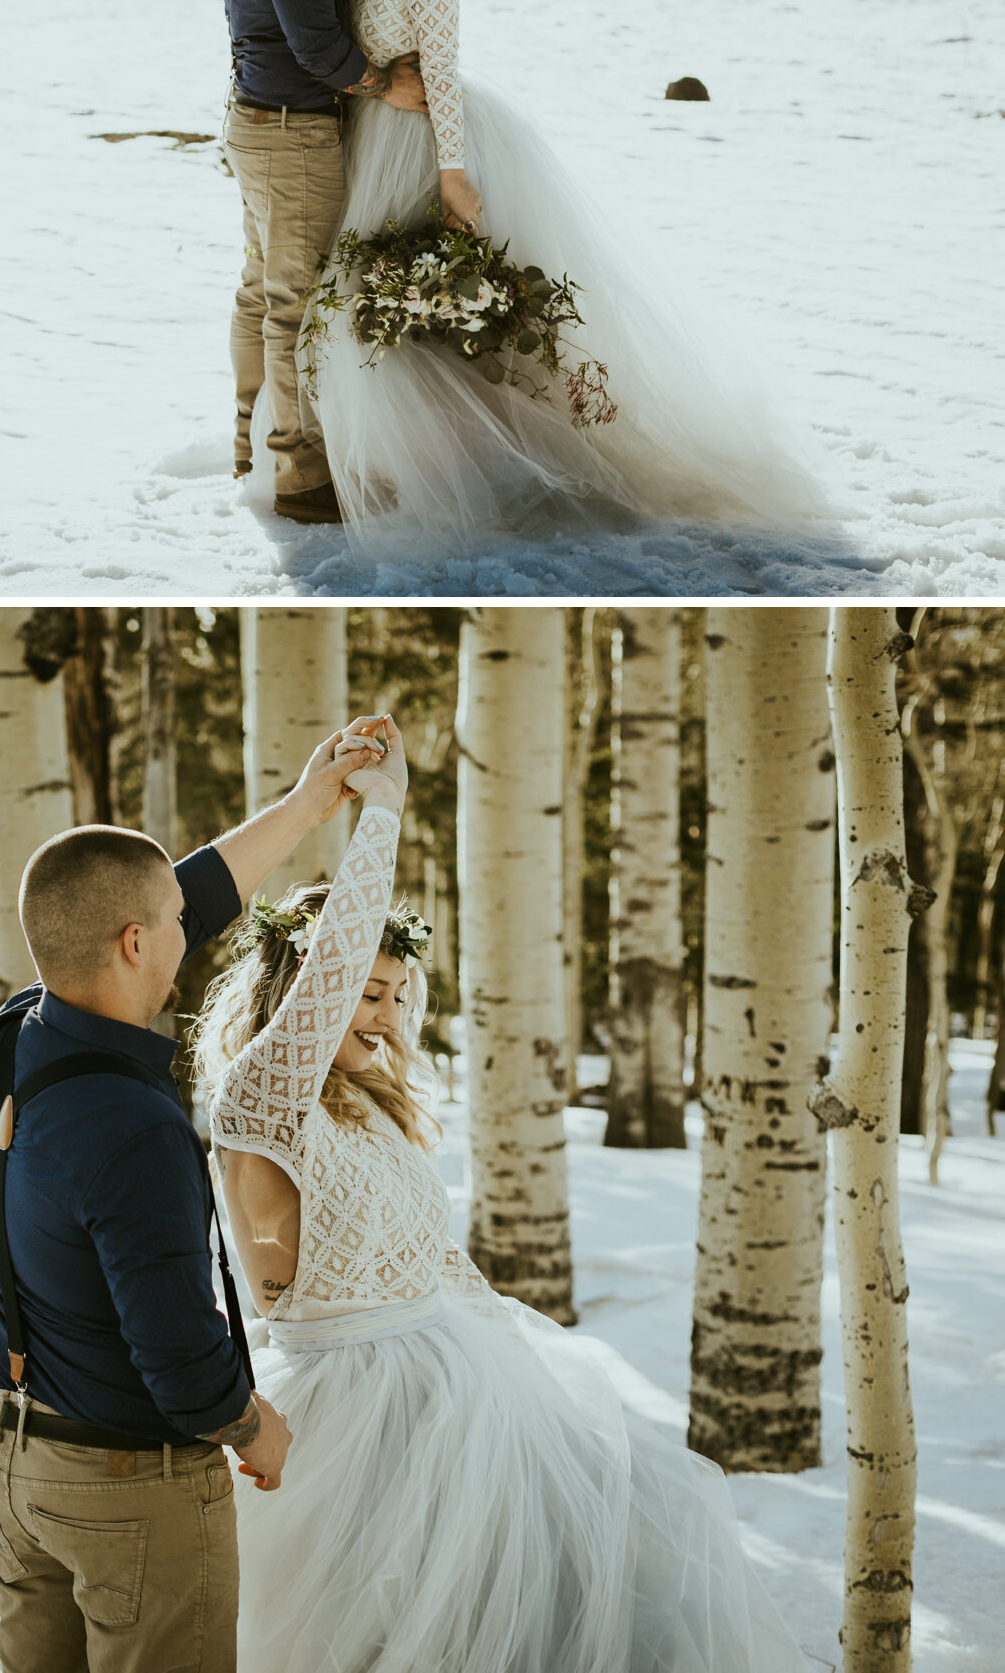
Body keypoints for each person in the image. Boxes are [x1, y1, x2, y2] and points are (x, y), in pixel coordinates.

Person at [194, 714, 813, 1673]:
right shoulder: (261, 1100)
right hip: (345, 1418)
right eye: (365, 989)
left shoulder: (377, 1109)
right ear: (308, 986)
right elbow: (331, 962)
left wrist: (521, 1359)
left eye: (400, 994)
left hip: (464, 1395)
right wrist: (382, 817)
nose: (385, 1014)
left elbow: (434, 1254)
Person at [304, 0, 827, 553]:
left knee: (433, 307)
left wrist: (454, 174)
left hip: (424, 147)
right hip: (372, 138)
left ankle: (499, 465)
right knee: (384, 306)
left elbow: (444, 72)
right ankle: (399, 465)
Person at [0, 717, 385, 1673]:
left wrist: (303, 807)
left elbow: (172, 900)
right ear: (130, 942)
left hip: (15, 1463)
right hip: (130, 1490)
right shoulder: (137, 1129)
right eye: (167, 935)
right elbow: (175, 1349)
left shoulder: (12, 1040)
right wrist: (253, 1423)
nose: (186, 944)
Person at [217, 0, 429, 527]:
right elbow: (317, 50)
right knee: (294, 306)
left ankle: (251, 447)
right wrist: (385, 87)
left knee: (260, 290)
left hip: (258, 121)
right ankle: (301, 476)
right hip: (290, 131)